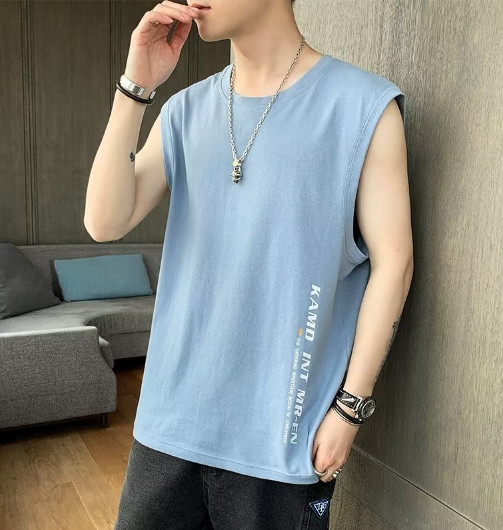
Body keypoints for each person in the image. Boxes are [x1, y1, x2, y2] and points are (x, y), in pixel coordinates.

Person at [84, 1, 413, 528]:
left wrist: (350, 408)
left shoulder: (361, 108)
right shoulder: (185, 111)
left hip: (280, 444)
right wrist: (135, 86)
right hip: (168, 430)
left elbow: (395, 265)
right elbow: (104, 222)